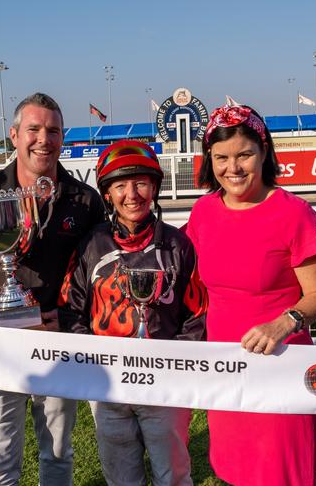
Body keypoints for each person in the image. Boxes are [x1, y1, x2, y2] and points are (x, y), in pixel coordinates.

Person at [0, 93, 105, 485]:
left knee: (57, 454)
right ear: (14, 134)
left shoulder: (84, 199)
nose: (44, 139)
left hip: (56, 344)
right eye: (34, 129)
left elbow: (95, 276)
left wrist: (71, 320)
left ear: (62, 137)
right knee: (0, 462)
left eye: (53, 130)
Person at [186, 105, 316, 486]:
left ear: (264, 153)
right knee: (235, 470)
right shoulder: (202, 212)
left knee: (279, 474)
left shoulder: (294, 214)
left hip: (282, 367)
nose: (232, 168)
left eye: (244, 155)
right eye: (221, 158)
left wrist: (285, 322)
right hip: (227, 369)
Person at [58, 139, 207, 486]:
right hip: (108, 386)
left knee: (173, 475)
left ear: (154, 186)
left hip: (165, 385)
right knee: (121, 478)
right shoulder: (90, 245)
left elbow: (197, 314)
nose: (132, 194)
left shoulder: (179, 244)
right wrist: (94, 359)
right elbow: (71, 309)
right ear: (106, 194)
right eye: (120, 185)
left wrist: (174, 365)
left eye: (140, 182)